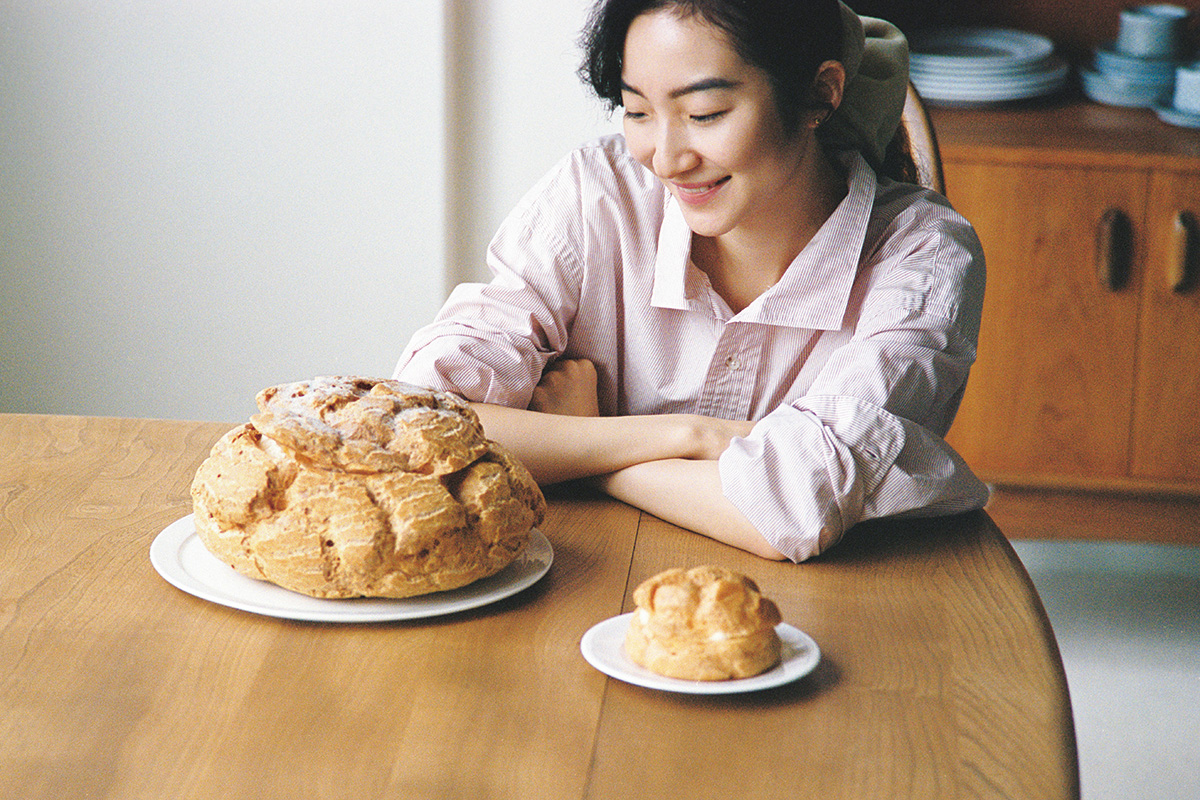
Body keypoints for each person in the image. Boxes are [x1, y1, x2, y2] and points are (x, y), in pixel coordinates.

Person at [394, 0, 989, 562]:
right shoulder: (598, 195)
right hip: (583, 584)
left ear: (818, 93)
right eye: (637, 112)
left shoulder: (922, 253)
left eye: (705, 114)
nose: (667, 158)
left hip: (833, 611)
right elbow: (426, 418)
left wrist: (587, 442)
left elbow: (790, 509)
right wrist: (694, 436)